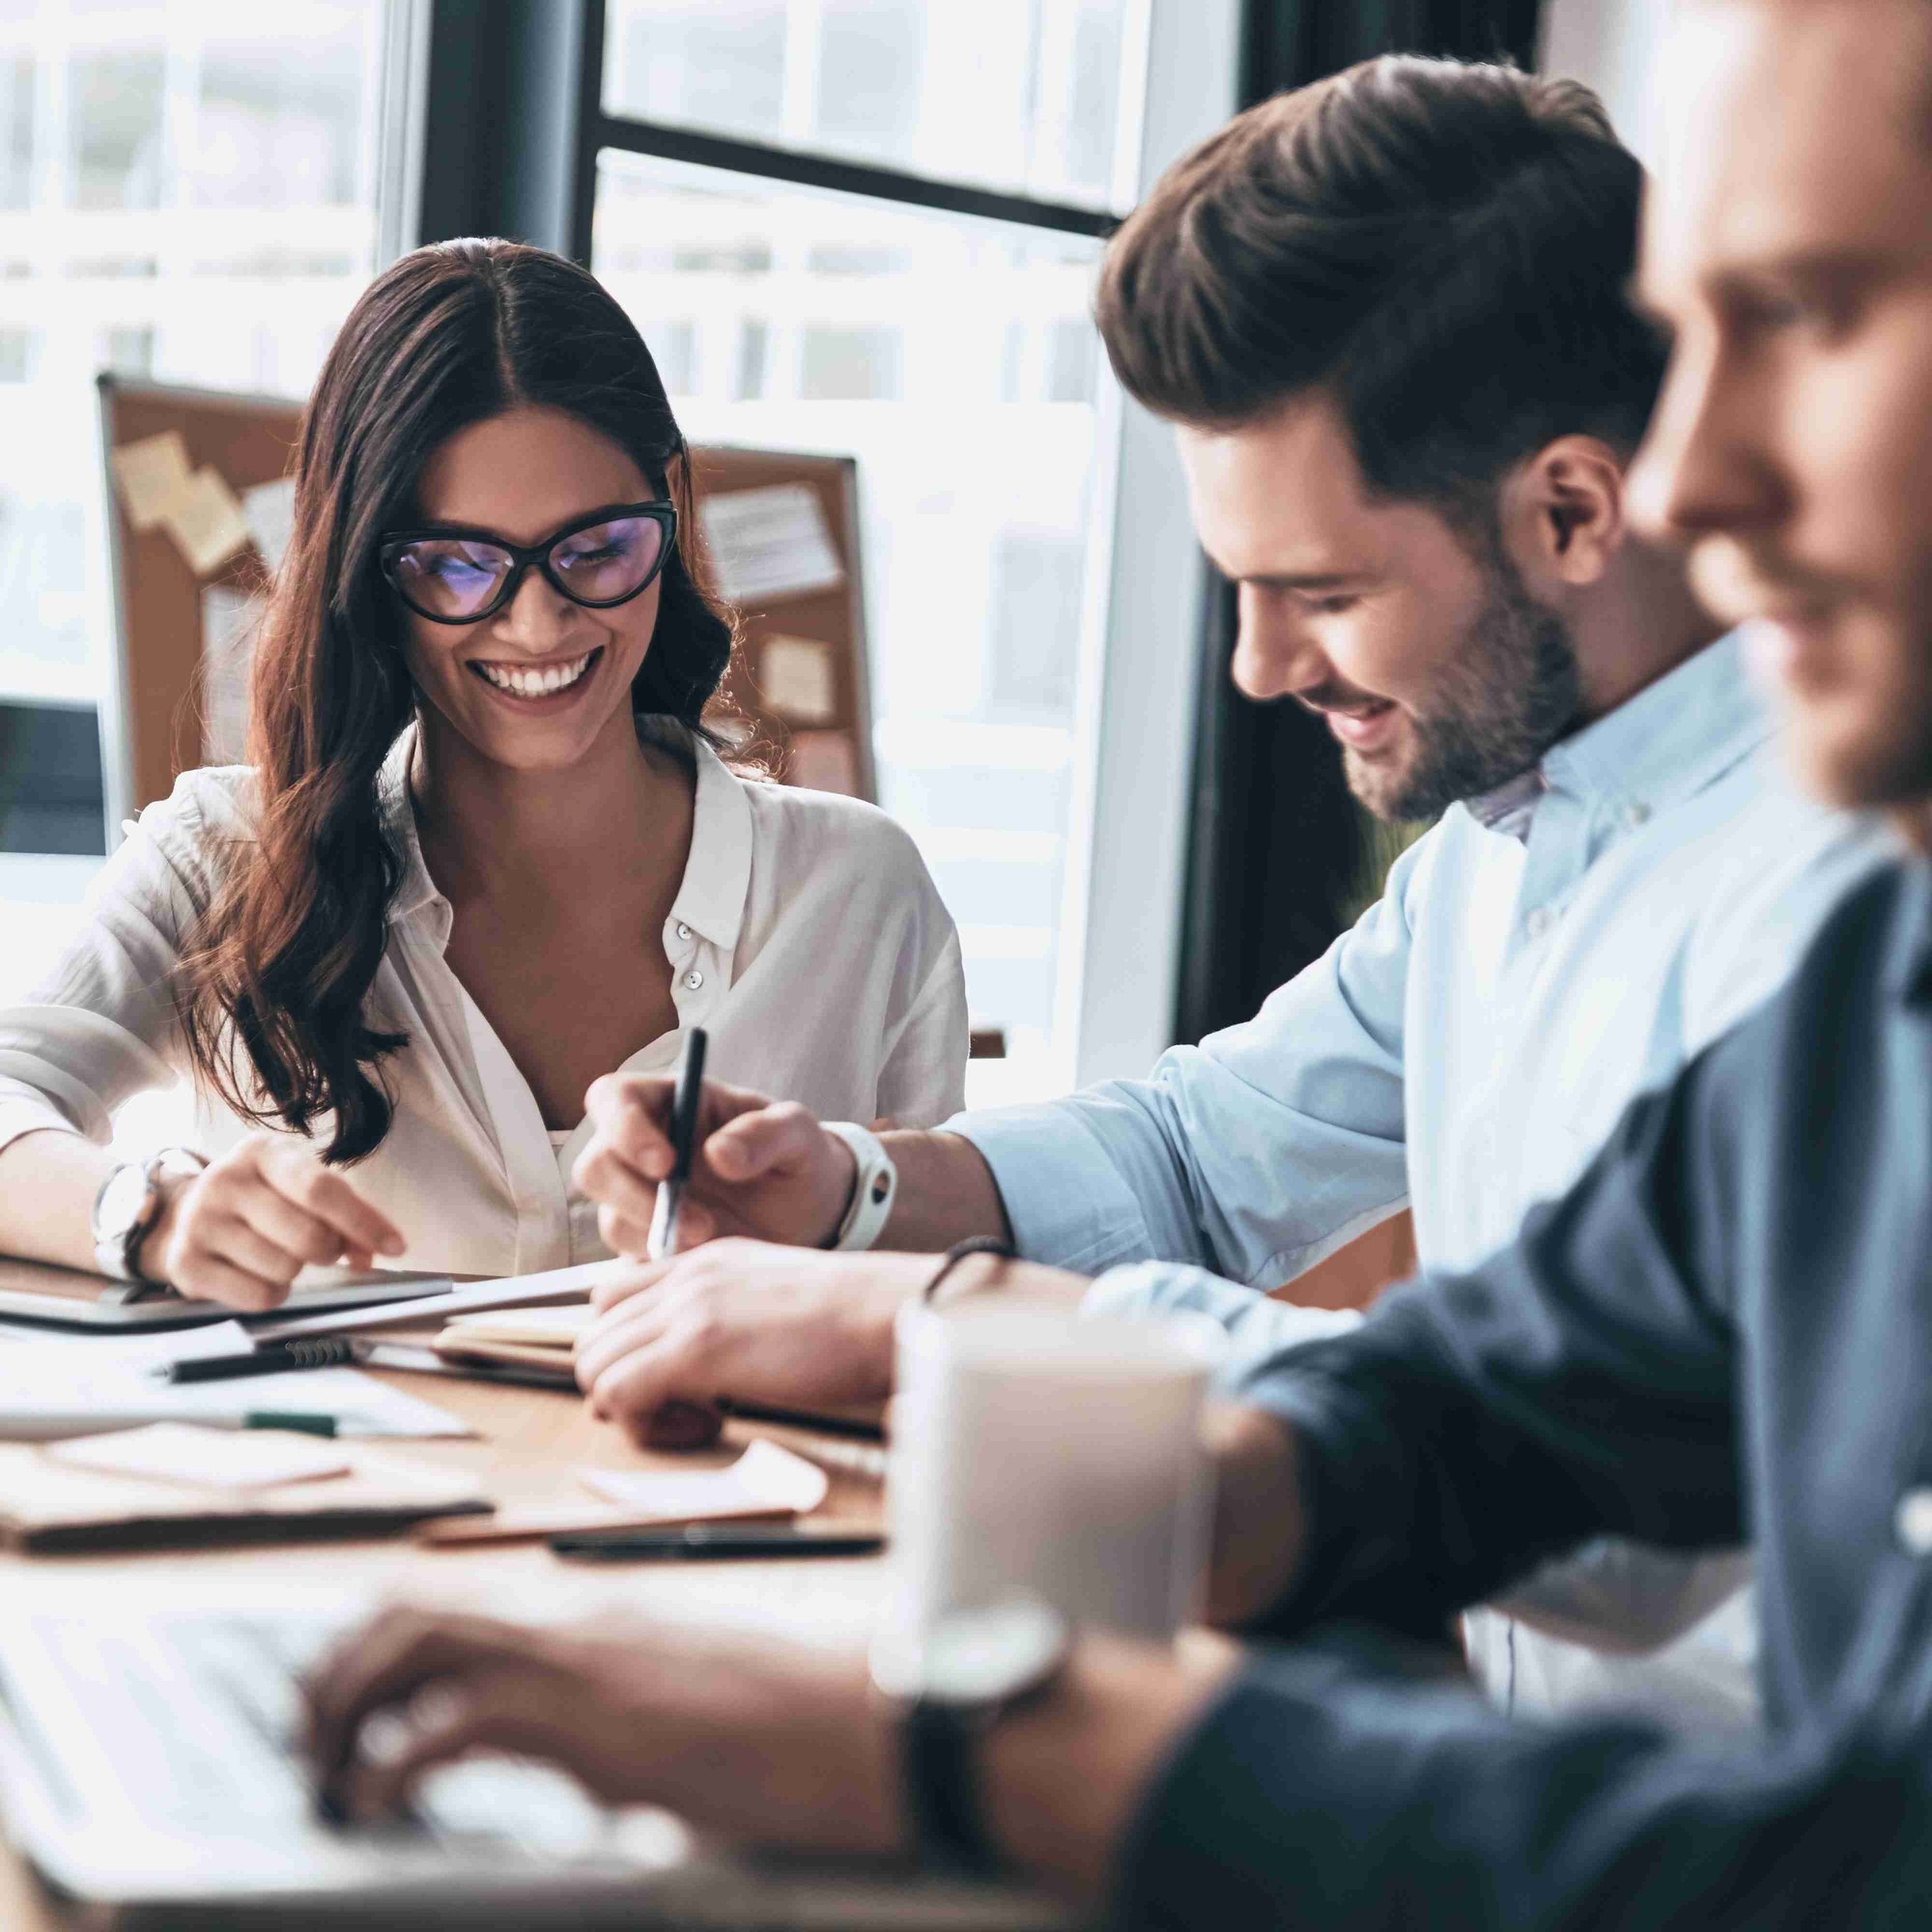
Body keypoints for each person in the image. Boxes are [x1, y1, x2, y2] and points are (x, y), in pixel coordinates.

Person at [308, 2, 1932, 1918]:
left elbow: (1812, 1805)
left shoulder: (1827, 884)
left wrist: (960, 1404)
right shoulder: (1650, 902)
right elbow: (1446, 1368)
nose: (1703, 470)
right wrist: (866, 1197)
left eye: (1807, 310)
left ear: (1566, 511)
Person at [0, 240, 965, 1308]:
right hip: (336, 1473)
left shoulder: (858, 892)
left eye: (596, 546)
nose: (539, 619)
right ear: (367, 574)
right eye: (460, 565)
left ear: (667, 517)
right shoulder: (222, 853)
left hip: (724, 1476)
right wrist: (150, 1211)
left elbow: (928, 1291)